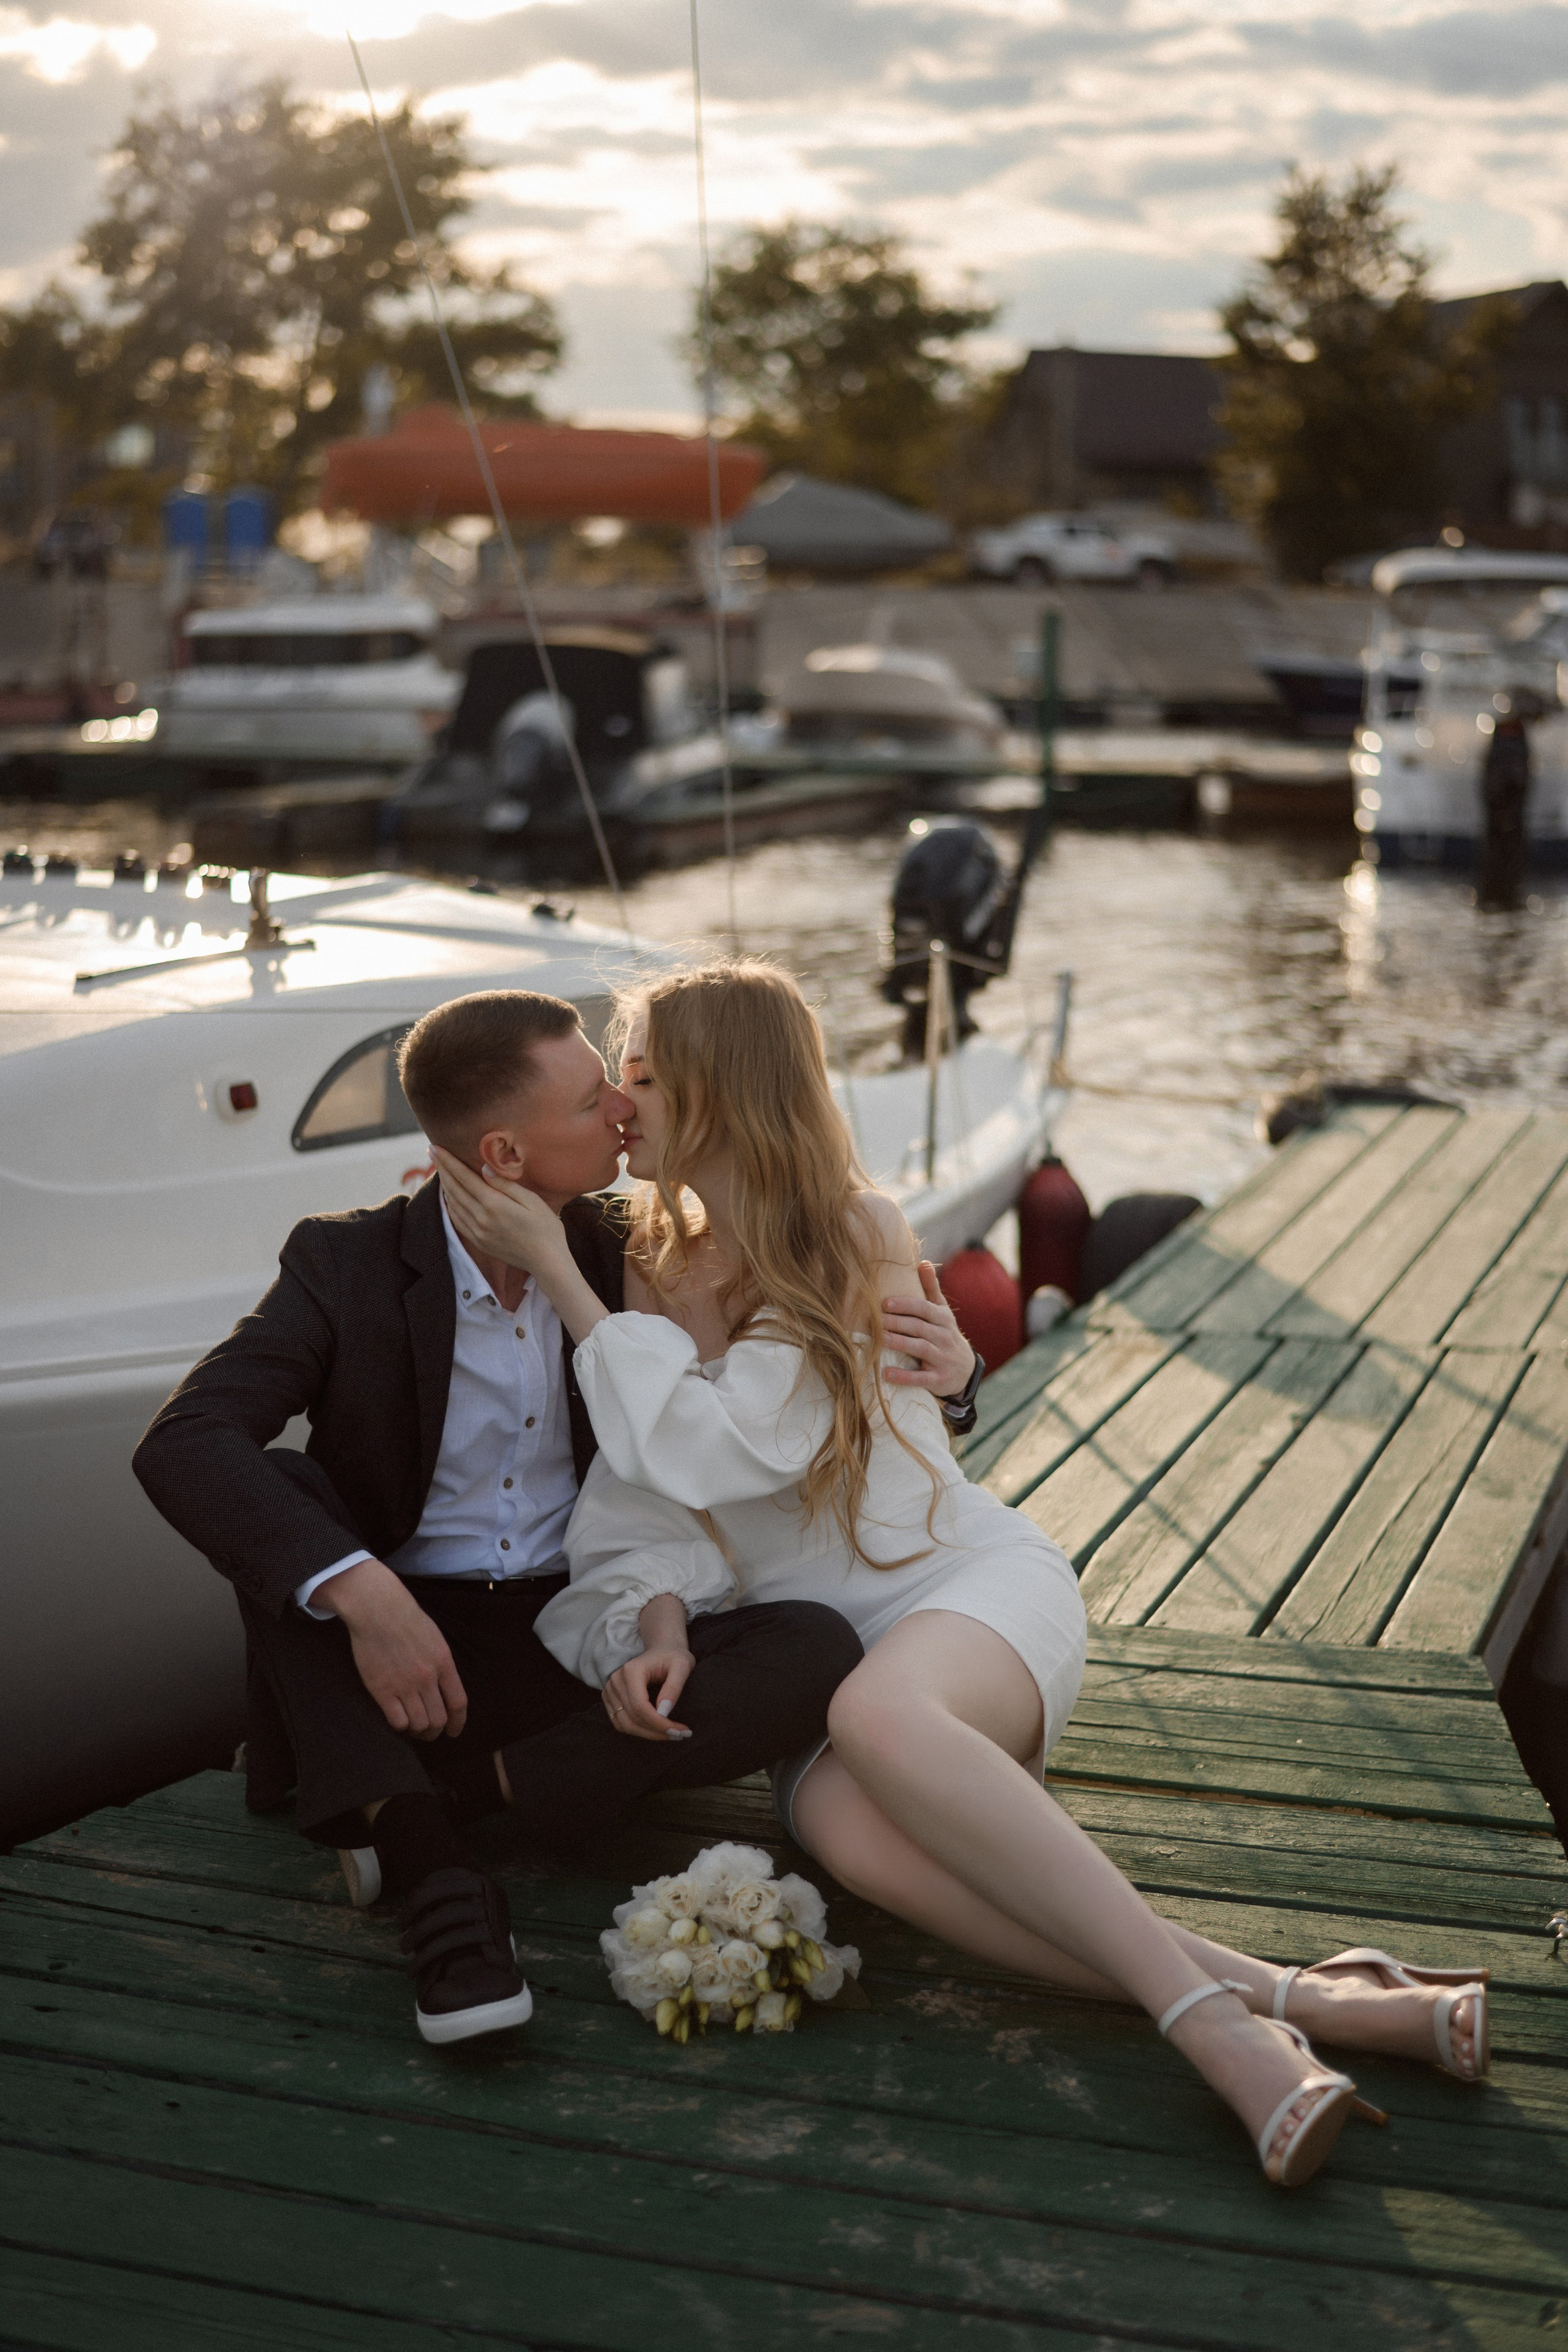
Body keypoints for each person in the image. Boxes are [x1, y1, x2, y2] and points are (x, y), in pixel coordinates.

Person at [436, 959, 1490, 2190]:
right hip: (821, 1648)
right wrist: (652, 1612)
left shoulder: (851, 1229)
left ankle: (1219, 2039)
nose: (624, 1106)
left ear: (724, 1090)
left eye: (647, 1078)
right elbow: (656, 1488)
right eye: (620, 1080)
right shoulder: (650, 1254)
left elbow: (735, 1439)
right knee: (849, 1836)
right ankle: (1304, 1992)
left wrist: (562, 1288)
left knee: (874, 1712)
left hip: (959, 1592)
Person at [135, 988, 977, 2048]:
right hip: (400, 1650)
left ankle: (450, 1800)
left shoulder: (643, 1246)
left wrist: (950, 1380)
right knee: (291, 1503)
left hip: (578, 1630)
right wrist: (368, 1596)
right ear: (505, 1152)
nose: (627, 1112)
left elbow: (771, 1413)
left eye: (629, 1084)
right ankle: (440, 1880)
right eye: (594, 1100)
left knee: (811, 1644)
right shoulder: (343, 1264)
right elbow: (184, 1440)